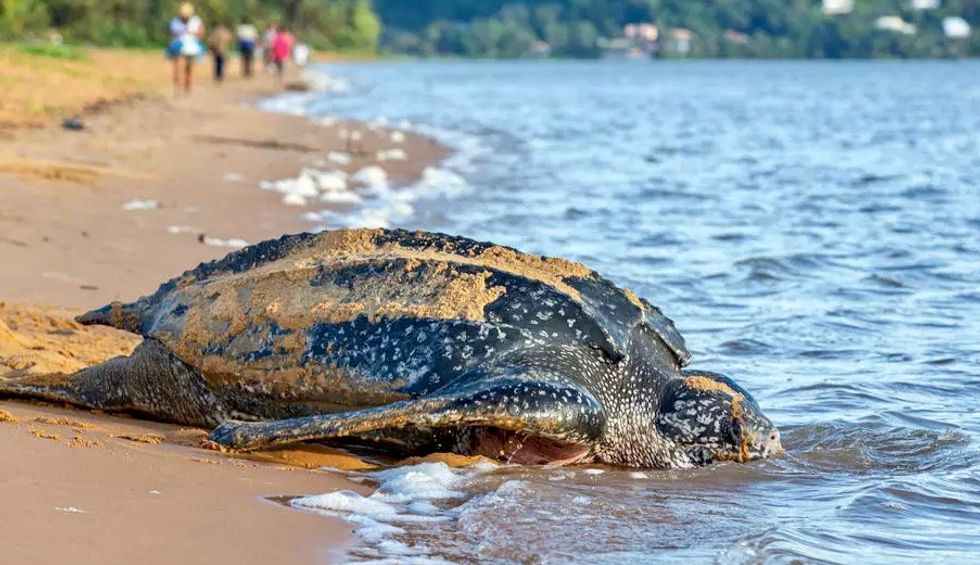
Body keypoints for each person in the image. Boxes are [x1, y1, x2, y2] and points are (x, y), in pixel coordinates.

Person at [166, 2, 205, 96]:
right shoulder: (175, 21)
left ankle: (188, 88)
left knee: (190, 68)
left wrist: (193, 34)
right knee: (178, 68)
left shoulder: (196, 21)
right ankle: (177, 88)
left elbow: (201, 32)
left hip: (192, 47)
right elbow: (171, 33)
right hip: (179, 47)